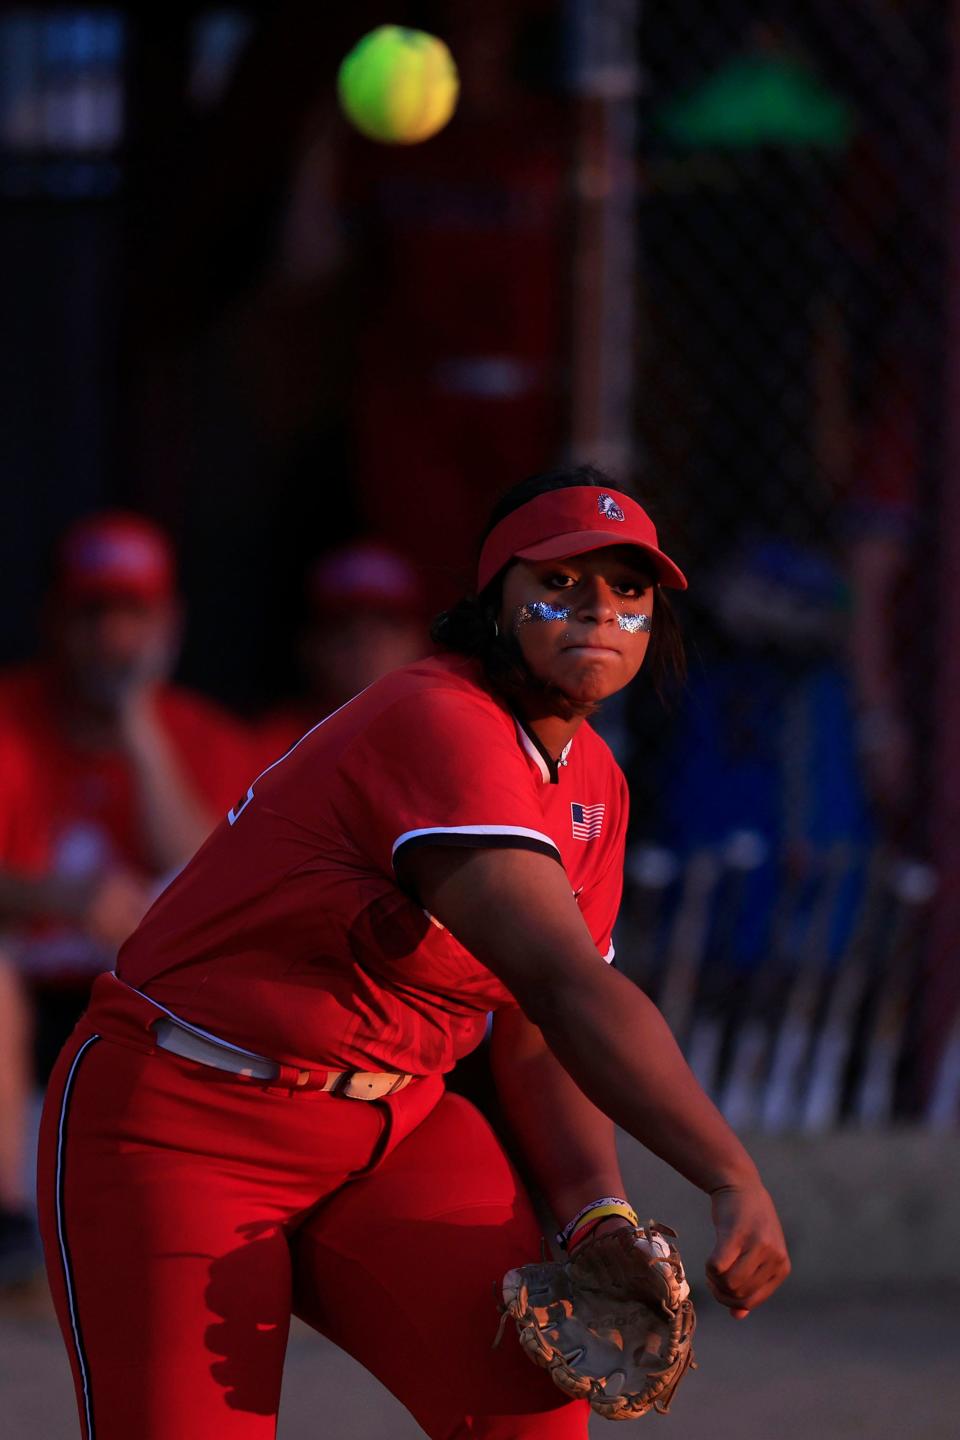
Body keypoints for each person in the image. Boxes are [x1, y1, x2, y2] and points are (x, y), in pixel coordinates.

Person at [37, 468, 789, 1440]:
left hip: (392, 1127)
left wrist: (594, 1208)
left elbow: (531, 1027)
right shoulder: (441, 719)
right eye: (561, 582)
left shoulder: (593, 779)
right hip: (182, 1120)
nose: (599, 609)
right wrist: (730, 1171)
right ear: (493, 602)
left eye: (629, 588)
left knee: (534, 1410)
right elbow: (569, 993)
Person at [0, 511, 252, 1285]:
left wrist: (137, 723)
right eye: (93, 613)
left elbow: (217, 878)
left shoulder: (199, 734)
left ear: (167, 624)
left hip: (140, 1017)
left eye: (132, 614)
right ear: (55, 619)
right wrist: (56, 895)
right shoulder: (11, 716)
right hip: (28, 1015)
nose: (112, 636)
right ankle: (8, 1232)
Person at [252, 539, 427, 766]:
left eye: (387, 622)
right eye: (344, 626)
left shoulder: (447, 736)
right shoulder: (275, 747)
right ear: (311, 646)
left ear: (419, 640)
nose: (365, 642)